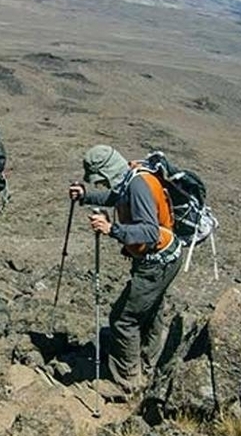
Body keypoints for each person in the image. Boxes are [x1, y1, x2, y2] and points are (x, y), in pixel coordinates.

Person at [68, 145, 182, 401]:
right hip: (166, 257)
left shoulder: (138, 185)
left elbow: (149, 233)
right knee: (151, 312)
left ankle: (128, 383)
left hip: (156, 262)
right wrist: (87, 197)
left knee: (123, 319)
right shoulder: (131, 176)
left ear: (107, 171)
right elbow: (116, 196)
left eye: (100, 178)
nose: (102, 182)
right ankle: (148, 366)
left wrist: (112, 229)